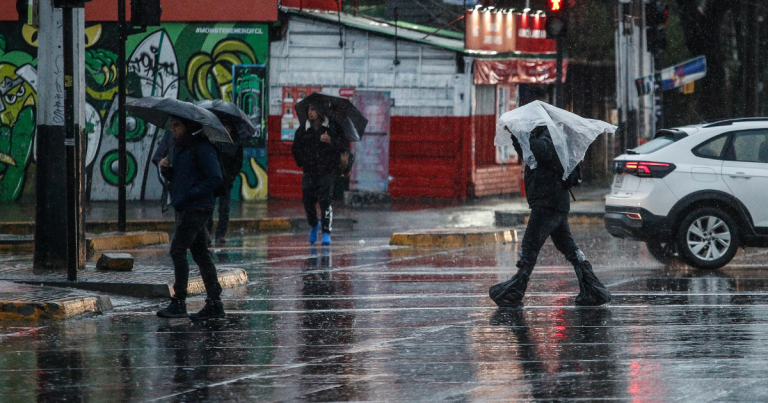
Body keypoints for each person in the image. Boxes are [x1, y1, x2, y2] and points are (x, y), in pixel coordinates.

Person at [489, 126, 611, 307]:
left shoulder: (551, 136)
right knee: (567, 246)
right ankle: (593, 289)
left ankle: (514, 291)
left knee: (530, 244)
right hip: (553, 202)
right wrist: (517, 137)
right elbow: (529, 156)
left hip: (548, 202)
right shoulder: (544, 135)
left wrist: (521, 134)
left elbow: (541, 152)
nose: (528, 125)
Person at [156, 116, 226, 320]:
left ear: (188, 126)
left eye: (177, 125)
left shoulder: (203, 148)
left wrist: (190, 194)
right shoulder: (179, 148)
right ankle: (215, 302)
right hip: (186, 207)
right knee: (201, 254)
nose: (173, 129)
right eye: (172, 125)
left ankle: (179, 301)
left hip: (197, 207)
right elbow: (179, 178)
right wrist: (167, 170)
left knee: (177, 250)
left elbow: (215, 178)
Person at [291, 104, 347, 246]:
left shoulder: (332, 128)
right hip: (309, 171)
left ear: (320, 111)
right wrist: (302, 161)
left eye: (314, 109)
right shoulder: (304, 128)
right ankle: (314, 224)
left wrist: (331, 141)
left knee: (325, 201)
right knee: (308, 201)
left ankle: (326, 232)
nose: (310, 113)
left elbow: (343, 146)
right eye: (309, 109)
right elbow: (295, 148)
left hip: (327, 171)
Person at [205, 115, 243, 245]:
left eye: (228, 127)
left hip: (226, 181)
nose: (226, 129)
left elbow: (238, 162)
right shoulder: (214, 140)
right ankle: (208, 232)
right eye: (224, 126)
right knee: (209, 208)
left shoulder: (236, 142)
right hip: (214, 179)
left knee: (224, 209)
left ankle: (220, 234)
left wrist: (231, 176)